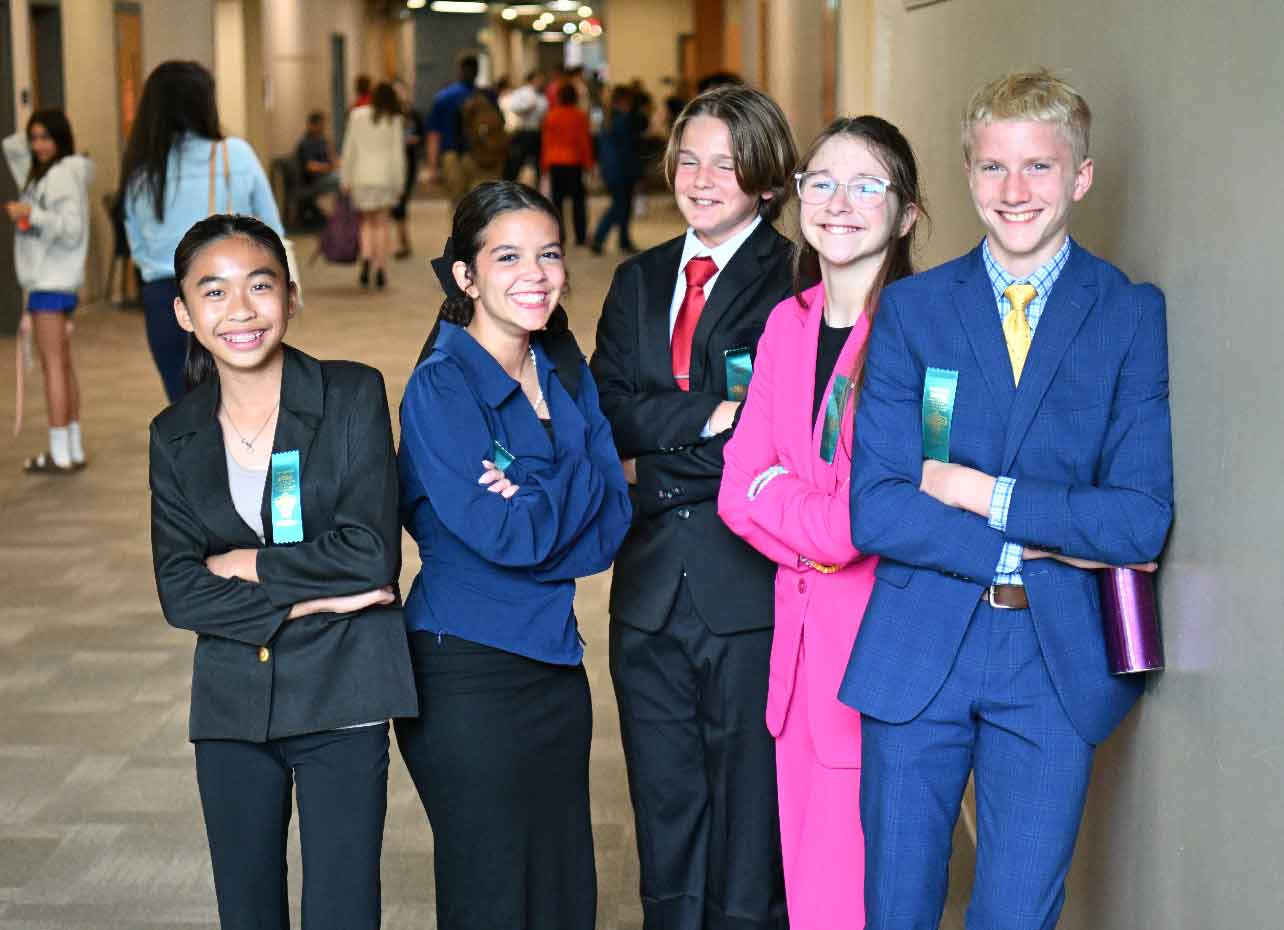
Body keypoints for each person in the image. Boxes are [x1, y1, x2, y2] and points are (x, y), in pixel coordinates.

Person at [839, 69, 1174, 929]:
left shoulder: (1128, 314)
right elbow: (876, 507)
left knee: (1019, 913)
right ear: (968, 174)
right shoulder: (912, 311)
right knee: (896, 909)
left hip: (1052, 660)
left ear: (1081, 176)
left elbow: (1136, 520)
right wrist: (1038, 537)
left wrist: (976, 489)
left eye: (1039, 167)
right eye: (993, 168)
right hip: (920, 649)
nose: (1014, 191)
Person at [148, 213, 417, 930]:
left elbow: (370, 553)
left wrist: (247, 564)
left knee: (342, 908)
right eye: (214, 292)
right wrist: (308, 604)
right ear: (183, 312)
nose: (239, 311)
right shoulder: (174, 434)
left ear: (291, 296)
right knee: (246, 909)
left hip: (344, 692)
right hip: (233, 701)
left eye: (259, 286)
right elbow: (179, 588)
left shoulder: (351, 394)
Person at [589, 84, 798, 930]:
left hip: (748, 587)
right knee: (664, 806)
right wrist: (709, 414)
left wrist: (672, 432)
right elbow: (603, 410)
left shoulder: (794, 278)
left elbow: (778, 435)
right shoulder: (638, 279)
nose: (701, 179)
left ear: (767, 181)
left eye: (726, 163)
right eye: (689, 159)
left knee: (749, 816)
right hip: (645, 589)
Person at [396, 181, 631, 930]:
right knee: (492, 897)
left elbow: (610, 527)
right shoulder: (440, 388)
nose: (535, 273)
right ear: (465, 276)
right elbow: (512, 536)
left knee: (562, 893)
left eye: (549, 254)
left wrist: (532, 485)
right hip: (463, 671)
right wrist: (576, 474)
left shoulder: (560, 362)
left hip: (555, 667)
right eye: (507, 256)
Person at [717, 116, 924, 929]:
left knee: (849, 896)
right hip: (795, 662)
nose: (839, 202)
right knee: (809, 893)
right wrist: (812, 515)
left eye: (866, 184)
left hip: (872, 657)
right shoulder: (788, 321)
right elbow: (737, 489)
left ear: (906, 213)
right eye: (822, 182)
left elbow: (859, 521)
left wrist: (788, 500)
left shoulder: (917, 332)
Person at [122, 60, 284, 403]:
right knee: (244, 405)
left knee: (186, 410)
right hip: (232, 293)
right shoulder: (235, 155)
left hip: (166, 300)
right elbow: (273, 231)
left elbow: (136, 245)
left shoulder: (142, 170)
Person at [3, 110, 93, 474]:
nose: (37, 145)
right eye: (34, 137)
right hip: (56, 281)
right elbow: (11, 147)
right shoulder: (58, 172)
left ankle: (60, 452)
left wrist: (31, 213)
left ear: (61, 138)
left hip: (51, 282)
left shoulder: (61, 177)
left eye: (46, 137)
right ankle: (70, 448)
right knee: (62, 365)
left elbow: (70, 229)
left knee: (53, 367)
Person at [340, 81, 407, 290]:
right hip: (385, 178)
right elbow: (398, 154)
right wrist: (400, 182)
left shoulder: (356, 115)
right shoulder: (394, 120)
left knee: (366, 223)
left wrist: (345, 178)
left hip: (361, 176)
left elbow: (349, 149)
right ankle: (380, 268)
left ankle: (366, 259)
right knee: (382, 224)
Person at [426, 55, 499, 206]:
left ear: (459, 70)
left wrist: (432, 166)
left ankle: (460, 228)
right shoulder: (488, 96)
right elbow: (498, 127)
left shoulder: (444, 97)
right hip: (482, 155)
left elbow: (434, 134)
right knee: (480, 202)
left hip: (452, 155)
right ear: (477, 71)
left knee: (458, 203)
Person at [590, 85, 645, 255]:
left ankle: (623, 241)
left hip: (611, 169)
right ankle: (599, 238)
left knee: (623, 206)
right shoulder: (623, 120)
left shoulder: (607, 119)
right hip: (623, 170)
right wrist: (638, 173)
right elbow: (628, 149)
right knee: (620, 207)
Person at [541, 82, 593, 247]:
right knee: (578, 201)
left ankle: (558, 236)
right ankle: (580, 236)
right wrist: (589, 163)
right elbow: (584, 142)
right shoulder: (580, 116)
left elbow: (546, 142)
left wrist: (544, 164)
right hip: (574, 162)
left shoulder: (551, 116)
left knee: (557, 202)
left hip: (555, 162)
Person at [392, 79, 424, 260]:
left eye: (401, 91)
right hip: (394, 163)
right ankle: (402, 242)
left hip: (409, 160)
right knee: (397, 204)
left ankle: (403, 242)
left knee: (402, 201)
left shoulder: (413, 114)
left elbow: (422, 134)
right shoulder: (389, 115)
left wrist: (414, 141)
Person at [501, 70, 548, 185]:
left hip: (537, 131)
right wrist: (527, 107)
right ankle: (510, 184)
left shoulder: (541, 94)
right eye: (539, 79)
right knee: (517, 161)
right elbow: (514, 106)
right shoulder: (522, 92)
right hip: (524, 131)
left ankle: (536, 185)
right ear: (532, 80)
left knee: (537, 162)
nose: (541, 82)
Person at [294, 110, 340, 227]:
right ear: (312, 125)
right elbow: (311, 167)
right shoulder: (305, 143)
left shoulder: (322, 141)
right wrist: (329, 167)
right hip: (312, 181)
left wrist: (330, 150)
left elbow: (334, 160)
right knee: (341, 182)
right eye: (320, 125)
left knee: (343, 180)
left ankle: (340, 217)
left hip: (325, 176)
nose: (323, 128)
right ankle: (339, 218)